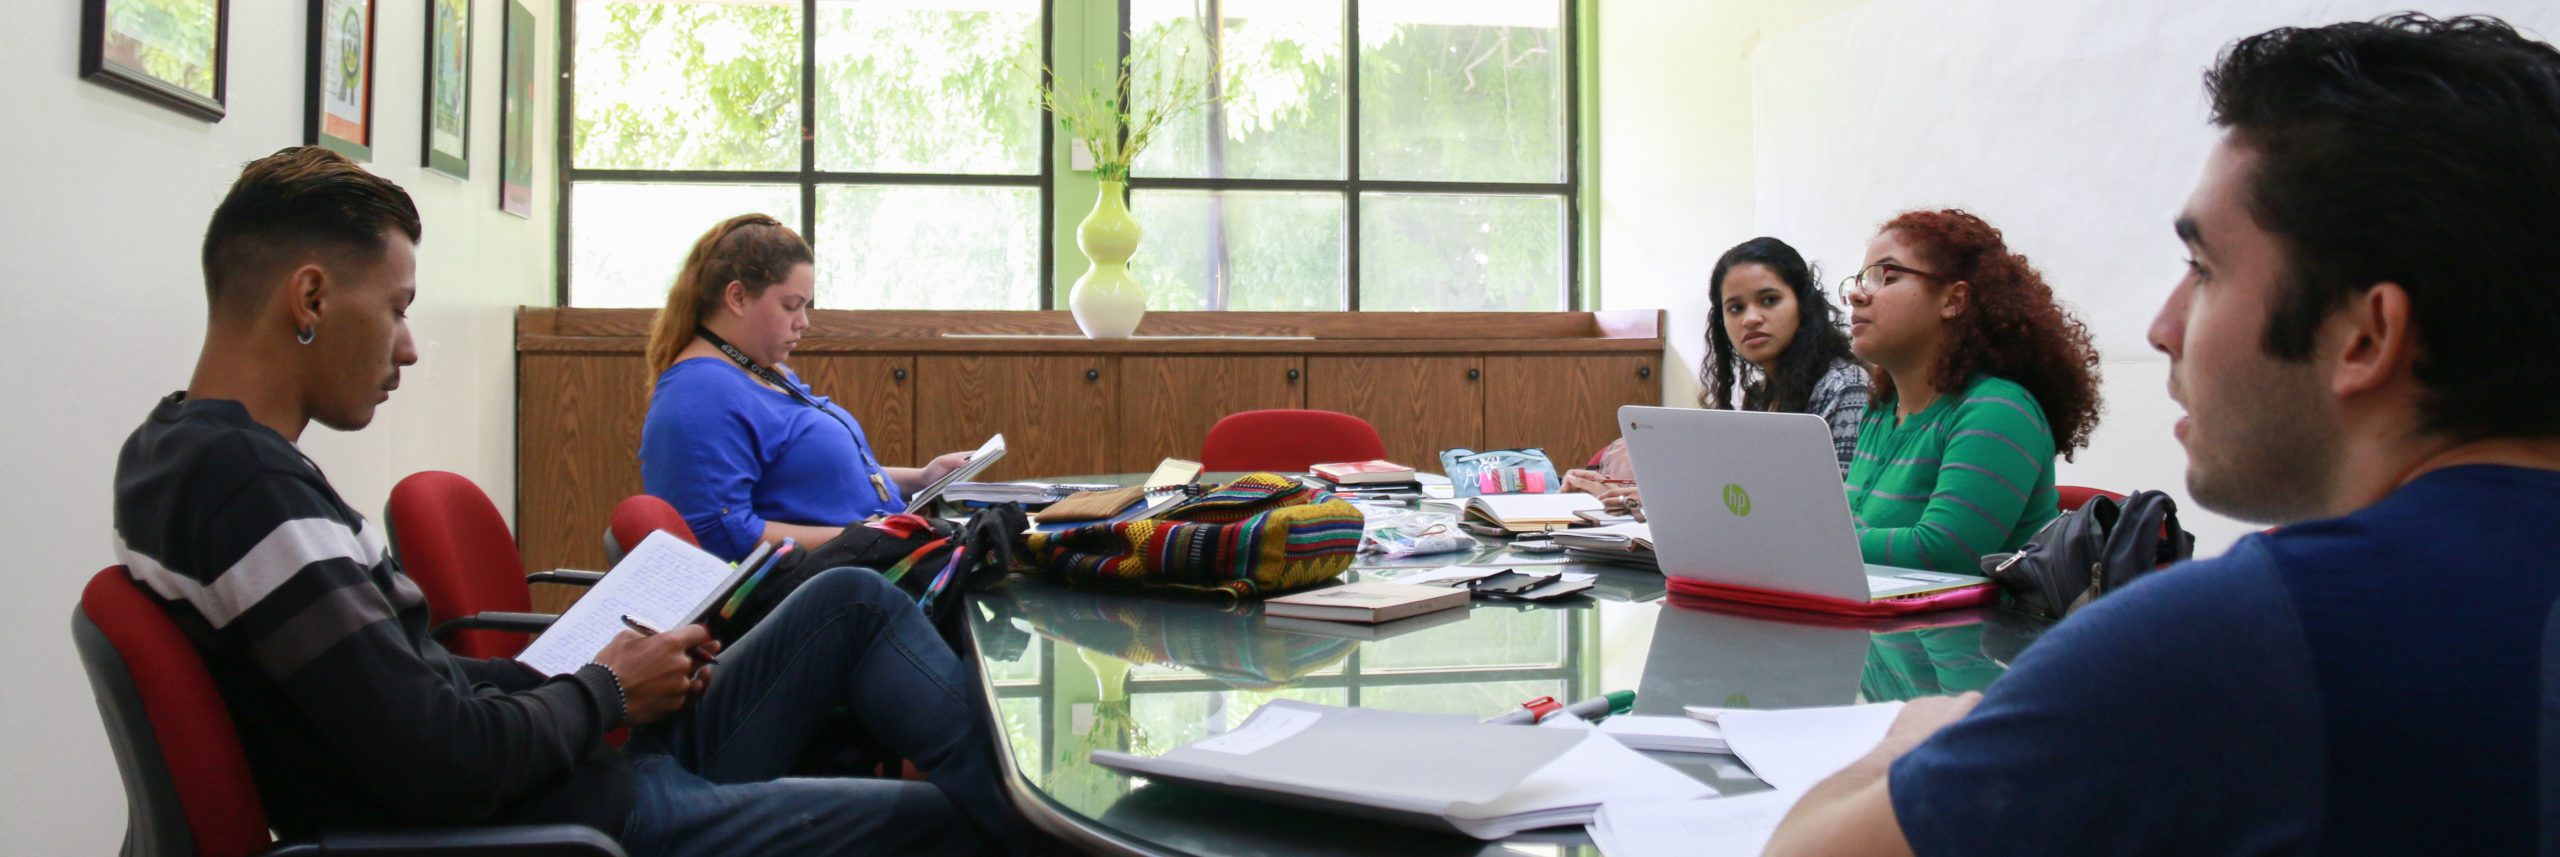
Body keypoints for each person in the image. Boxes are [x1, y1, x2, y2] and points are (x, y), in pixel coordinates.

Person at [1767, 14, 2560, 855]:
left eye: (2204, 270)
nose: (2160, 326)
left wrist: (1911, 737)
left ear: (2365, 336)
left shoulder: (2215, 652)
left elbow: (1806, 849)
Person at [112, 147, 1019, 856]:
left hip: (572, 768)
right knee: (949, 820)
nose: (410, 345)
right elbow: (439, 756)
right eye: (396, 308)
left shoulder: (176, 452)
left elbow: (419, 689)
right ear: (309, 295)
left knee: (852, 601)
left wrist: (600, 675)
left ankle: (1036, 795)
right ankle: (1053, 819)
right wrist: (604, 687)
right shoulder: (245, 486)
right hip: (583, 823)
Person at [639, 214, 975, 561]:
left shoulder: (762, 371)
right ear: (737, 297)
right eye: (790, 306)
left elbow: (813, 474)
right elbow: (725, 535)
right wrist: (871, 539)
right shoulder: (698, 395)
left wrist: (921, 478)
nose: (803, 322)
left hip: (864, 564)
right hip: (823, 590)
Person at [1839, 208, 2103, 576]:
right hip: (1889, 627)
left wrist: (1819, 539)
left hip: (1984, 633)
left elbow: (1945, 552)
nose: (1856, 295)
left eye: (1887, 276)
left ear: (1953, 300)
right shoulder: (1883, 410)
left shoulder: (1998, 410)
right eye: (1859, 280)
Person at [1566, 237, 1868, 508]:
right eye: (1735, 308)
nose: (1750, 318)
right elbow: (1742, 498)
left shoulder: (1844, 385)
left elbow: (1833, 510)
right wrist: (1632, 492)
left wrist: (1668, 500)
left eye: (1769, 300)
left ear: (1803, 305)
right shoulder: (1761, 395)